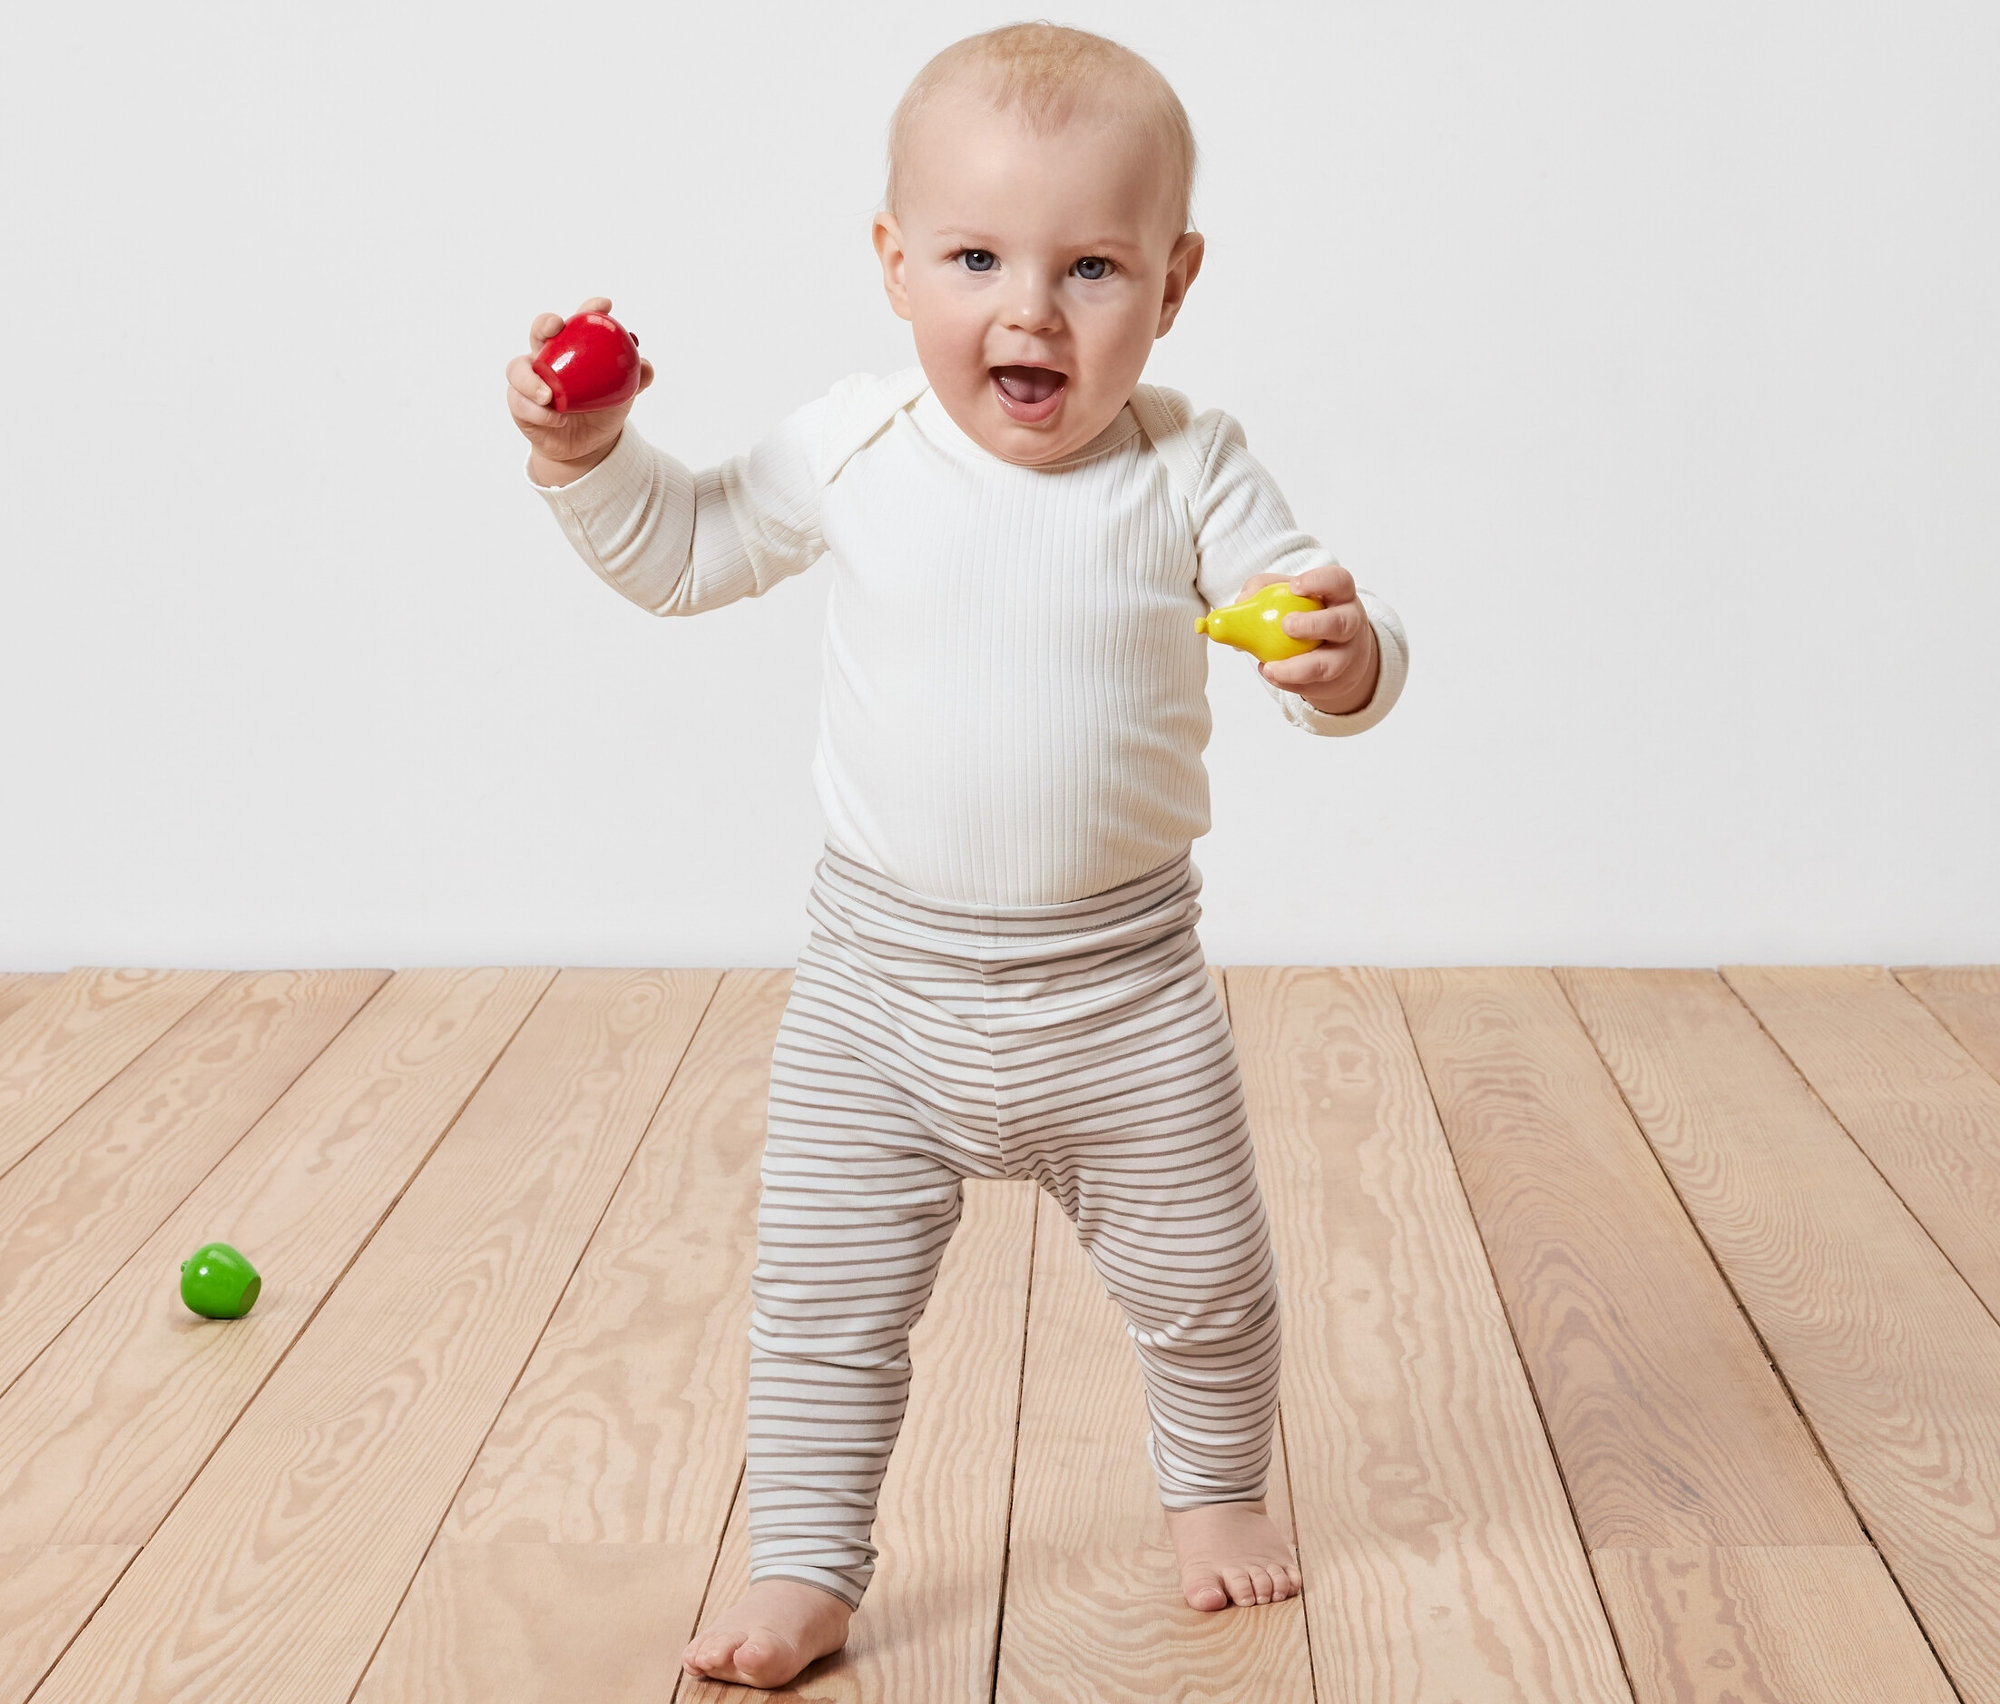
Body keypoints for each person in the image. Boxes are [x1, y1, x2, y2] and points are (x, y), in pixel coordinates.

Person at [507, 22, 1408, 1689]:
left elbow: (1317, 616)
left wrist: (1346, 662)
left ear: (1176, 281)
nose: (1030, 311)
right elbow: (688, 547)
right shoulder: (855, 450)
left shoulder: (1187, 466)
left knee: (1210, 1280)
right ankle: (802, 1566)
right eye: (978, 257)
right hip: (878, 996)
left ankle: (1214, 1496)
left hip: (1124, 994)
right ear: (894, 262)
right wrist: (590, 459)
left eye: (1093, 268)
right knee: (822, 1309)